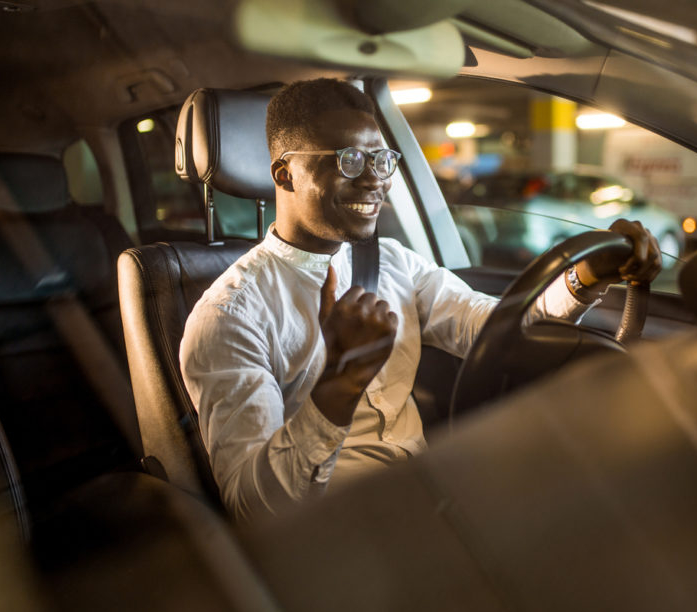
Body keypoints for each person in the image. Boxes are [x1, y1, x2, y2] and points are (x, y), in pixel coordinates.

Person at [180, 79, 661, 518]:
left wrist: (586, 276)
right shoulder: (229, 317)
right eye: (349, 160)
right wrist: (339, 386)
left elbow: (495, 328)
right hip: (336, 533)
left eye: (382, 159)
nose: (374, 179)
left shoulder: (391, 261)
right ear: (285, 176)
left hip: (430, 495)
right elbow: (255, 511)